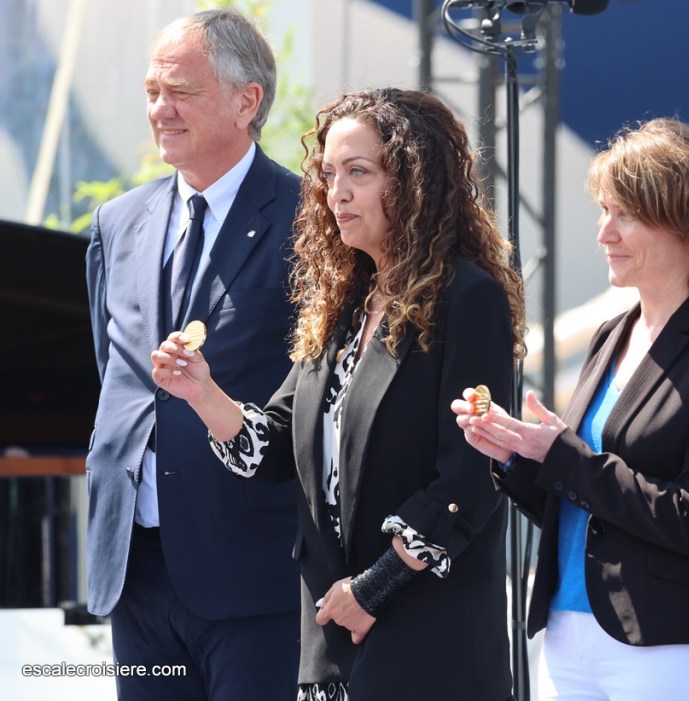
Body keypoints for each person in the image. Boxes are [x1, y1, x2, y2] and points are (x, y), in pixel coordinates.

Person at [151, 87, 525, 700]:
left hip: (428, 638)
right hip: (332, 644)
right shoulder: (343, 308)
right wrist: (204, 394)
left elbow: (470, 478)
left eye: (359, 172)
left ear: (414, 181)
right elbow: (275, 450)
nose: (337, 192)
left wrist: (372, 590)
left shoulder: (468, 298)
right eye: (328, 174)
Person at [454, 118, 689, 701]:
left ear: (686, 222)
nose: (604, 233)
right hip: (568, 635)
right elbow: (584, 498)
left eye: (623, 214)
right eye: (604, 212)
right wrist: (518, 456)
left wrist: (563, 456)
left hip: (672, 645)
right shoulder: (613, 334)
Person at [85, 9, 300, 700]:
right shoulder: (117, 222)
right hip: (135, 571)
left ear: (248, 101)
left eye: (180, 91)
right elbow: (117, 374)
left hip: (250, 570)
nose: (160, 109)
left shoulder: (310, 223)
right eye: (152, 91)